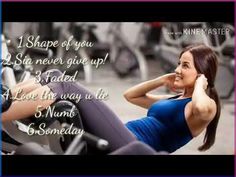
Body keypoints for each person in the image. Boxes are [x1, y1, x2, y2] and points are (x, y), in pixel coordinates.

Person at [1, 44, 221, 153]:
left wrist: (202, 84)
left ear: (202, 71)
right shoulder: (175, 100)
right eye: (178, 63)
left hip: (134, 147)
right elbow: (131, 96)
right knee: (55, 74)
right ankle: (5, 100)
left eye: (185, 65)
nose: (178, 69)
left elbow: (201, 109)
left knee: (66, 86)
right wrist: (162, 80)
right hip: (123, 134)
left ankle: (3, 111)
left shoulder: (205, 106)